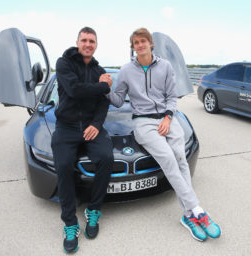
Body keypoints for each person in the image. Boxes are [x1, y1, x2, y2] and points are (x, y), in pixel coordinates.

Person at [108, 28, 221, 242]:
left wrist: (168, 118)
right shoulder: (125, 70)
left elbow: (172, 96)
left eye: (143, 41)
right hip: (143, 122)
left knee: (181, 159)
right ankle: (197, 210)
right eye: (136, 42)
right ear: (132, 47)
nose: (140, 45)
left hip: (168, 118)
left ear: (151, 44)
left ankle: (187, 216)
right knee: (168, 159)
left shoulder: (166, 66)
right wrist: (106, 89)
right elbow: (117, 100)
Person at [51, 27, 114, 253]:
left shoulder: (100, 70)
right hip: (66, 127)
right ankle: (70, 223)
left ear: (96, 45)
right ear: (77, 42)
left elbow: (104, 102)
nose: (88, 44)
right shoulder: (63, 63)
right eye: (84, 40)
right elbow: (75, 90)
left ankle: (93, 210)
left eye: (92, 41)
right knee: (65, 165)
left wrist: (97, 124)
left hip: (90, 127)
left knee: (107, 157)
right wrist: (102, 85)